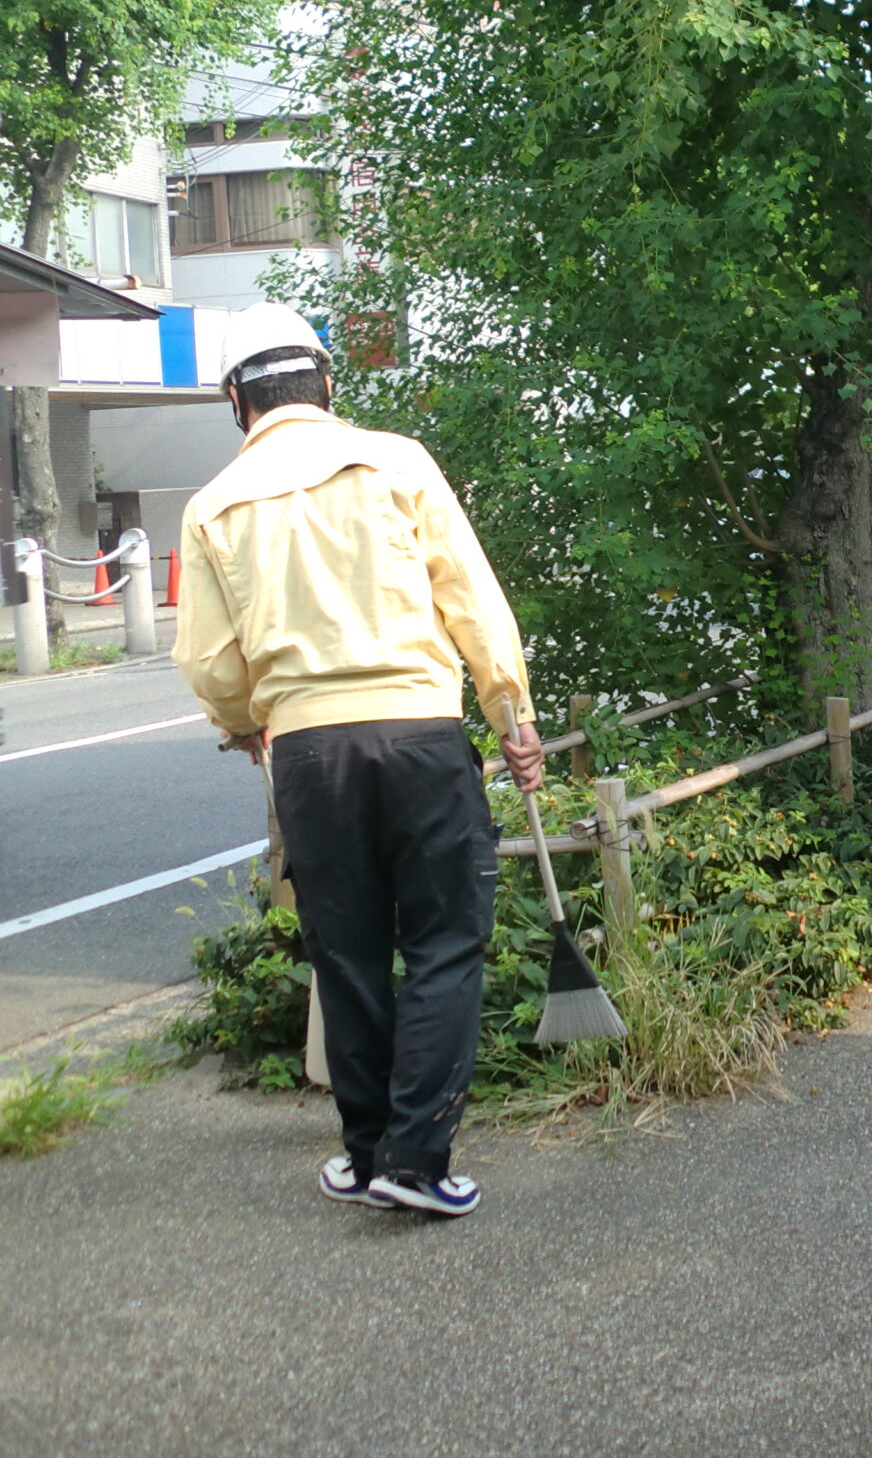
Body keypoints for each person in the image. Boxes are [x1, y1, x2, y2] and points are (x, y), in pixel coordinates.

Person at [172, 303, 543, 1220]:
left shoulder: (212, 504)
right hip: (419, 732)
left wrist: (245, 722)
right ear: (327, 382)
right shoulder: (398, 460)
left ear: (235, 399)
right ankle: (414, 1163)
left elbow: (208, 664)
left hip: (304, 751)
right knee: (447, 942)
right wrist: (511, 716)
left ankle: (366, 1152)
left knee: (346, 955)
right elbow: (475, 605)